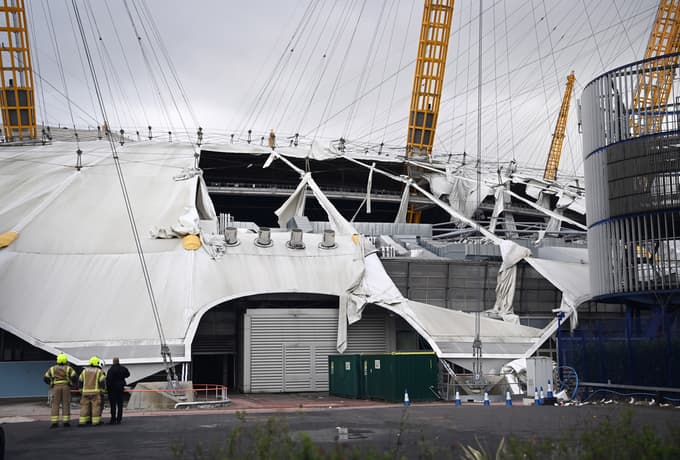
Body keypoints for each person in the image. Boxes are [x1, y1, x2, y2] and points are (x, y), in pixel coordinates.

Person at [43, 353, 77, 428]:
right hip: (66, 387)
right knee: (66, 404)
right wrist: (71, 383)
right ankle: (66, 422)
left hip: (56, 387)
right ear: (65, 360)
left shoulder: (52, 368)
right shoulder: (68, 368)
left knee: (55, 404)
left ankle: (54, 422)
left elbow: (45, 378)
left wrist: (51, 383)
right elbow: (74, 377)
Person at [78, 356, 106, 426]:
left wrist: (81, 389)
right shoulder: (99, 371)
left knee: (84, 407)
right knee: (96, 407)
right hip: (95, 392)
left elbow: (80, 381)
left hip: (85, 392)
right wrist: (102, 390)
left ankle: (82, 422)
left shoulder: (84, 371)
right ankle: (95, 422)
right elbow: (102, 381)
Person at [106, 357, 130, 424]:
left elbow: (108, 380)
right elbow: (128, 374)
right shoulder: (123, 368)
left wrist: (107, 389)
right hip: (120, 388)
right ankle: (119, 419)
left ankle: (113, 419)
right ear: (118, 361)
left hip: (112, 389)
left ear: (113, 362)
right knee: (120, 404)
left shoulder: (110, 370)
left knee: (113, 405)